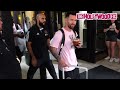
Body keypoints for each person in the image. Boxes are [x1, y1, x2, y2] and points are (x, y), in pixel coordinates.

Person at [50, 12, 82, 79]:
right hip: (65, 67)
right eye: (71, 20)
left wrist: (78, 45)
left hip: (75, 65)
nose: (74, 22)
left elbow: (73, 46)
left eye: (75, 20)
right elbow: (52, 48)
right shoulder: (59, 33)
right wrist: (59, 59)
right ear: (66, 20)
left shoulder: (74, 32)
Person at [27, 12, 57, 79]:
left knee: (53, 74)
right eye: (42, 18)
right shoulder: (31, 30)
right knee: (30, 75)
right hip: (37, 57)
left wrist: (55, 53)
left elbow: (48, 42)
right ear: (38, 19)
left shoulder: (45, 29)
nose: (45, 20)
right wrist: (33, 57)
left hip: (46, 57)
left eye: (45, 18)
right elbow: (28, 45)